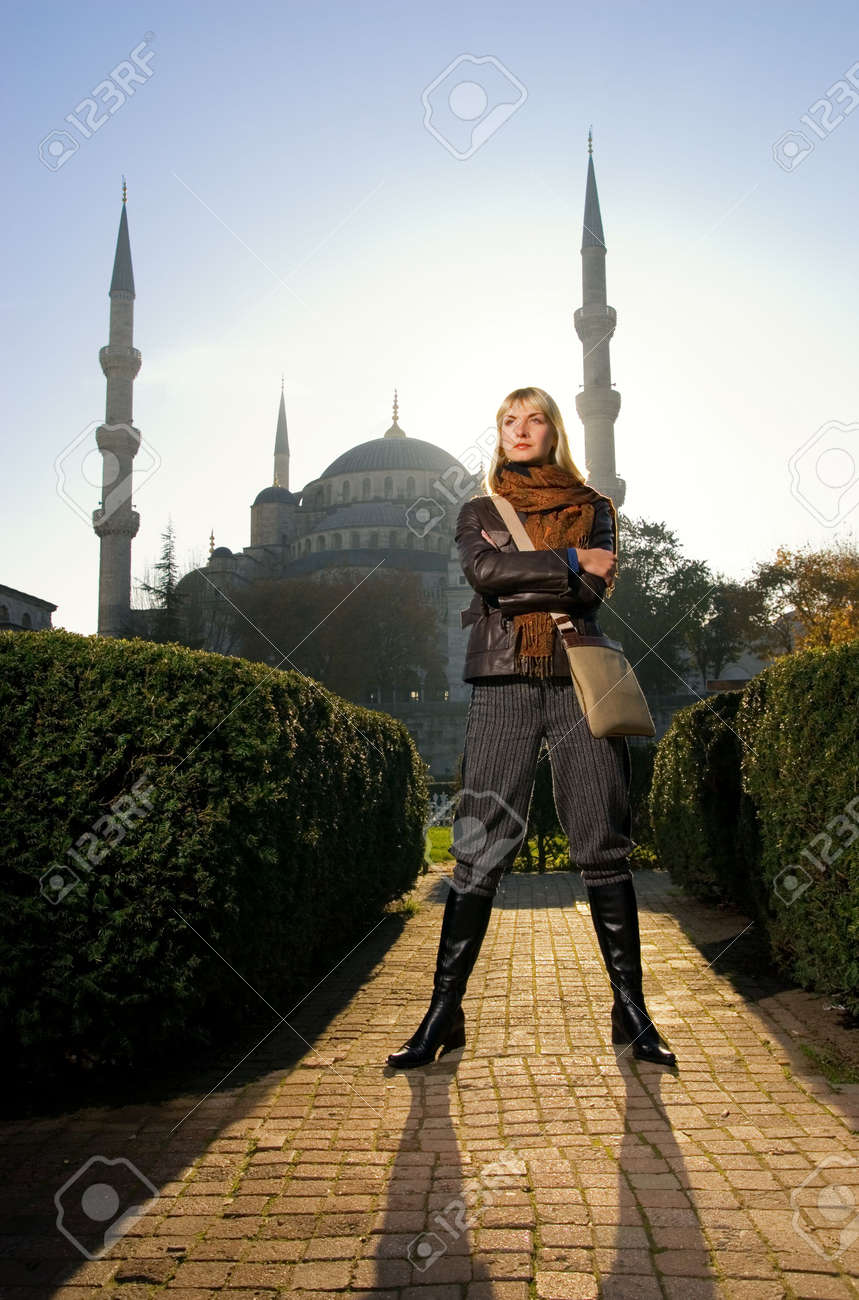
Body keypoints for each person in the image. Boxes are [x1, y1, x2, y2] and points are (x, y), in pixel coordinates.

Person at [387, 386, 676, 1070]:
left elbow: (589, 593)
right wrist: (571, 561)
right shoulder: (480, 511)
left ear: (554, 431)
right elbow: (484, 572)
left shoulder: (593, 507)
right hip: (503, 682)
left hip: (578, 679)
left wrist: (540, 580)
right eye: (508, 421)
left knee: (602, 843)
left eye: (534, 418)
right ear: (499, 434)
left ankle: (631, 1010)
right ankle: (443, 1013)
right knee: (480, 845)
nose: (520, 430)